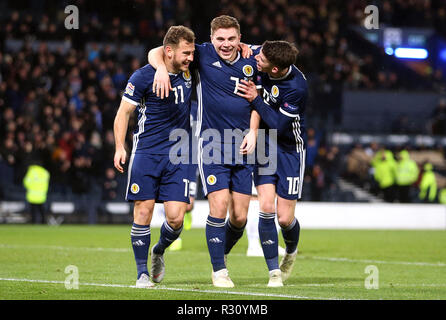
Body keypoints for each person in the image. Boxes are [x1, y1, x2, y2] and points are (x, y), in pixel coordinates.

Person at [148, 15, 260, 288]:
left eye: (232, 38)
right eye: (220, 38)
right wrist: (161, 69)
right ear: (211, 39)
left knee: (240, 217)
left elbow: (266, 87)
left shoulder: (254, 57)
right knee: (218, 207)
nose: (225, 44)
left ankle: (219, 254)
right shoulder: (202, 54)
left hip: (244, 146)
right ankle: (218, 270)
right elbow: (156, 51)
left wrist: (255, 132)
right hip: (212, 144)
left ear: (239, 38)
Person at [113, 25, 195, 289]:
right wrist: (119, 146)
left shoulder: (190, 71)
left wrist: (164, 65)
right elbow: (123, 113)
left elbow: (156, 52)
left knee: (176, 217)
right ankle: (141, 274)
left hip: (179, 153)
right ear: (169, 51)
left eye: (192, 53)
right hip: (147, 152)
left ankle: (158, 251)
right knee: (143, 210)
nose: (190, 58)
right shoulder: (142, 77)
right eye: (186, 53)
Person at [236, 40, 308, 286]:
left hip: (289, 149)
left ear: (275, 70)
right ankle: (273, 272)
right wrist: (244, 45)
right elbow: (248, 47)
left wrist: (256, 98)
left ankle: (291, 249)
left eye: (262, 60)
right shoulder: (263, 54)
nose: (257, 59)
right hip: (265, 147)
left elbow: (278, 125)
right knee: (266, 206)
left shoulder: (296, 87)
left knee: (285, 219)